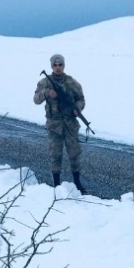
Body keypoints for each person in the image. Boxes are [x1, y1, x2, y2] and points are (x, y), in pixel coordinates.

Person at [33, 54, 86, 193]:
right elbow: (36, 99)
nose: (58, 67)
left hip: (70, 124)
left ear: (64, 66)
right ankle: (56, 185)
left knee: (74, 154)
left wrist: (77, 109)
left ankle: (77, 183)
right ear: (51, 66)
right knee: (55, 155)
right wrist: (46, 93)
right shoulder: (45, 82)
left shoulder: (72, 82)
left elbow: (81, 99)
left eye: (60, 65)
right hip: (54, 124)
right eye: (55, 65)